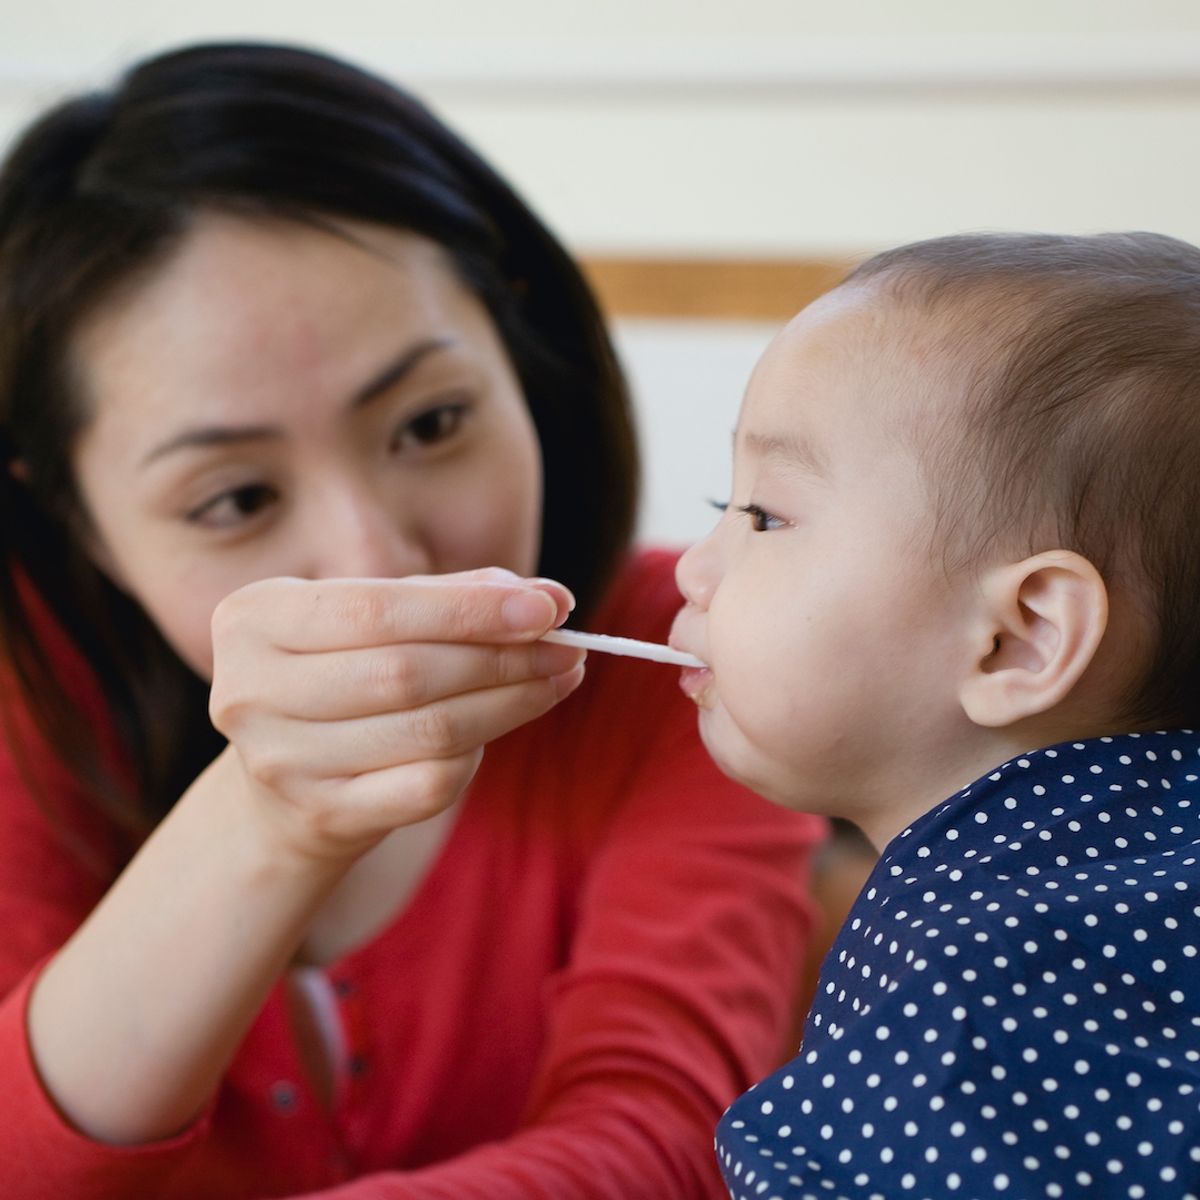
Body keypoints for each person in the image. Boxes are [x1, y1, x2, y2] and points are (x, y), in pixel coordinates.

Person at [0, 42, 826, 1199]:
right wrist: (269, 816)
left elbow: (674, 1142)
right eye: (237, 499)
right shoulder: (33, 703)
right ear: (84, 526)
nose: (376, 557)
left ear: (517, 351)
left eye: (431, 423)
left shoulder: (690, 647)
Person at [669, 230, 1200, 1199]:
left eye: (766, 517)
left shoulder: (980, 1002)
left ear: (1020, 637)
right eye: (723, 500)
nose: (692, 567)